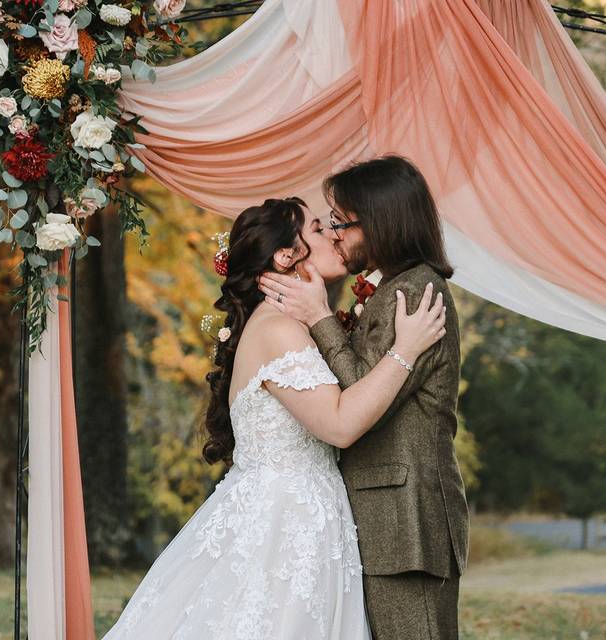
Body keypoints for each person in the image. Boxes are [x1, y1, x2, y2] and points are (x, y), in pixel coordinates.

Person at [102, 196, 446, 639]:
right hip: (284, 527)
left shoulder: (285, 326)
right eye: (320, 231)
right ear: (287, 256)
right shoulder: (279, 331)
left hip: (303, 516)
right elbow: (340, 426)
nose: (335, 236)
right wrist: (406, 350)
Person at [258, 156, 469, 640]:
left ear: (378, 224)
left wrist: (319, 317)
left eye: (342, 223)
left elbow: (361, 399)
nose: (334, 235)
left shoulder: (415, 293)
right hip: (386, 521)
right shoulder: (393, 288)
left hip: (405, 525)